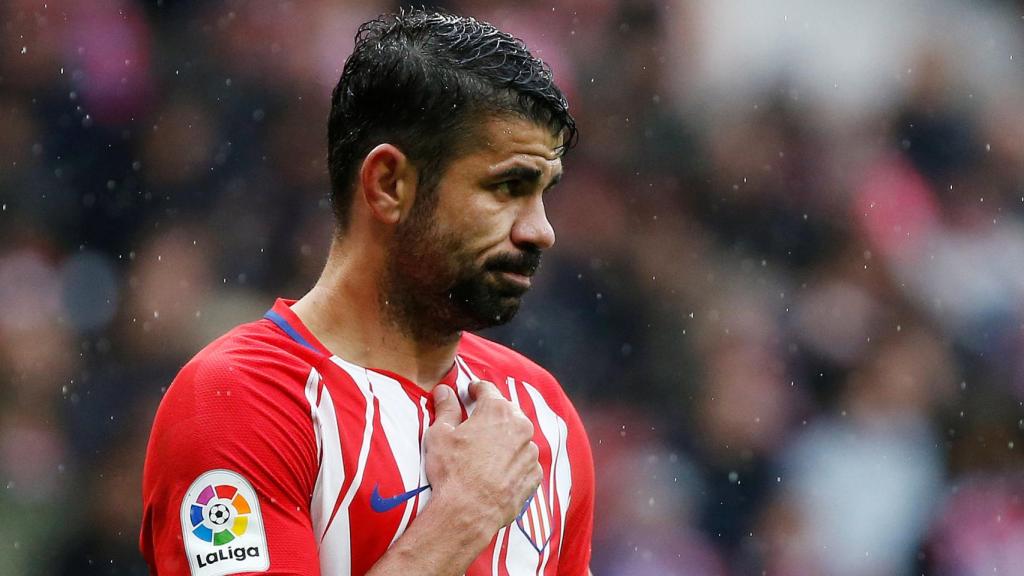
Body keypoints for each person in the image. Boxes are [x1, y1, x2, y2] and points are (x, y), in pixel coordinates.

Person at [139, 8, 594, 576]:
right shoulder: (239, 401)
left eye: (544, 192)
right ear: (389, 184)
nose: (540, 230)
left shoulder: (539, 413)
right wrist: (465, 514)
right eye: (508, 186)